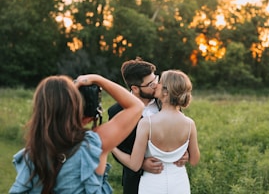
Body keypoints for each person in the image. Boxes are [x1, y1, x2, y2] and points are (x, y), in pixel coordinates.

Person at [9, 74, 144, 194]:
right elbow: (136, 106)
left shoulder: (30, 155)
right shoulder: (94, 144)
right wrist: (98, 79)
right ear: (75, 106)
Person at [108, 57, 188, 194]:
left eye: (156, 80)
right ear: (135, 88)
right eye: (150, 84)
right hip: (135, 182)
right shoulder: (117, 111)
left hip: (170, 181)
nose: (156, 85)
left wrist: (185, 152)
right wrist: (140, 164)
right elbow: (118, 147)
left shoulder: (166, 100)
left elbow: (181, 128)